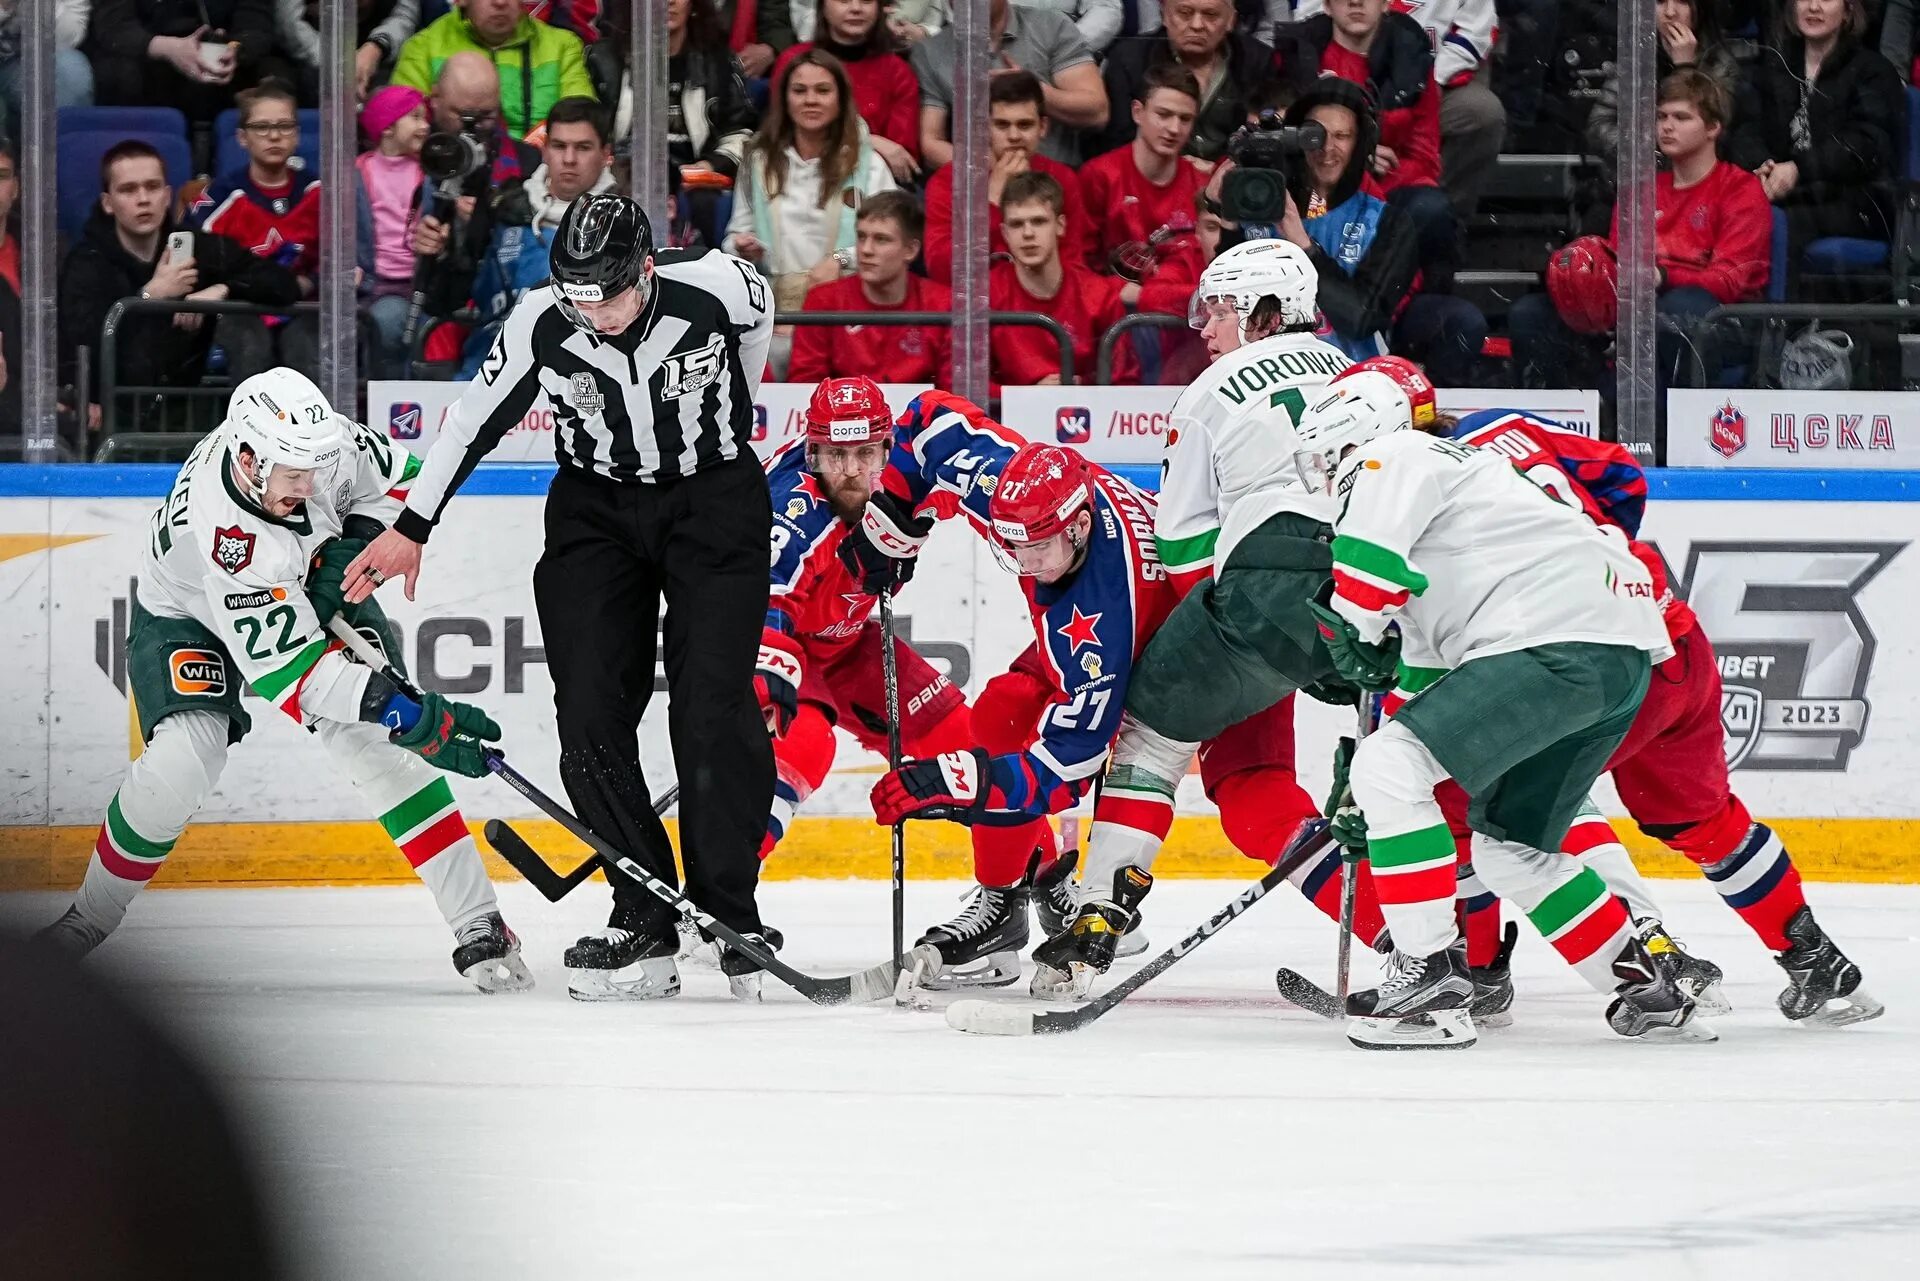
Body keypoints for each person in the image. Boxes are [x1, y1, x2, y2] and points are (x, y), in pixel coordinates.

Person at [342, 194, 780, 1002]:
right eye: (576, 296)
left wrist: (735, 421)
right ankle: (644, 911)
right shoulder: (541, 320)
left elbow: (758, 328)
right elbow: (471, 420)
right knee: (585, 709)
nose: (592, 315)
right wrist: (413, 525)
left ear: (646, 270)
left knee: (711, 703)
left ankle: (730, 913)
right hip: (596, 513)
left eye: (606, 296)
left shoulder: (721, 284)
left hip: (713, 502)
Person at [34, 369, 530, 994]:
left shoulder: (321, 448)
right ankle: (88, 919)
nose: (313, 485)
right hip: (190, 616)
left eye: (316, 469)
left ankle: (480, 922)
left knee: (373, 747)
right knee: (182, 763)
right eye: (295, 476)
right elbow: (296, 680)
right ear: (246, 458)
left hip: (307, 587)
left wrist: (358, 541)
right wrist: (408, 713)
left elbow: (409, 484)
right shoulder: (227, 534)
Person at [1296, 369, 1705, 1048]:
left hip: (1555, 640)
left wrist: (1351, 636)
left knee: (1389, 768)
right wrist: (1375, 777)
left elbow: (1362, 585)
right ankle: (1641, 979)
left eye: (1323, 456)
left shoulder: (1395, 455)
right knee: (1510, 847)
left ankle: (1427, 976)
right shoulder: (1459, 496)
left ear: (1354, 435)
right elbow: (1428, 677)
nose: (1322, 476)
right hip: (1620, 655)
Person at [1440, 403, 1882, 1027]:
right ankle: (1814, 960)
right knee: (1700, 821)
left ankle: (1483, 976)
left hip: (1592, 663)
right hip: (1672, 633)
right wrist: (1607, 555)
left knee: (1463, 804)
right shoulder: (1501, 427)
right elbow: (1622, 475)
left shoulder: (1413, 497)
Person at [1039, 237, 1370, 997]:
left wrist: (1207, 651)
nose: (1204, 327)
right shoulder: (1356, 373)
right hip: (1374, 594)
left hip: (1264, 593)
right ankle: (1435, 945)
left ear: (1263, 313)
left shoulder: (1212, 388)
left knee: (1151, 727)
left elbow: (1187, 549)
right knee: (1292, 783)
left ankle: (1097, 917)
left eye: (1218, 309)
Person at [756, 377, 975, 863]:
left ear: (888, 447)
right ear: (813, 453)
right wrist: (765, 666)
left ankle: (1037, 884)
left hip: (849, 642)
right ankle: (718, 906)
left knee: (971, 746)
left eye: (865, 454)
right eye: (836, 455)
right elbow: (763, 603)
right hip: (791, 644)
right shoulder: (793, 509)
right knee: (806, 742)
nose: (852, 471)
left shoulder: (912, 473)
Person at [1510, 69, 1771, 395]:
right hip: (1638, 314)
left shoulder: (1741, 190)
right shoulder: (1640, 190)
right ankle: (1562, 425)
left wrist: (1662, 276)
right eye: (1661, 116)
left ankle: (1671, 434)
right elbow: (1617, 265)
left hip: (1717, 322)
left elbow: (1730, 282)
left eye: (1681, 117)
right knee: (1533, 314)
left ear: (1713, 128)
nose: (1667, 126)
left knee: (1677, 311)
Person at [58, 141, 301, 436]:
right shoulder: (87, 260)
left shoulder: (194, 246)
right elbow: (79, 342)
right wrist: (149, 296)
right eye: (128, 190)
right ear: (108, 203)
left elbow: (284, 284)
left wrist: (222, 290)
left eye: (152, 187)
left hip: (184, 415)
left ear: (167, 196)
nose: (143, 199)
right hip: (111, 416)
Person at [1278, 77, 1487, 386]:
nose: (1327, 148)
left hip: (1354, 378)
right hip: (1272, 374)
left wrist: (1302, 244)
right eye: (1314, 135)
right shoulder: (1262, 205)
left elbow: (1361, 317)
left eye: (1342, 136)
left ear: (1361, 143)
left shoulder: (1389, 220)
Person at [724, 48, 896, 367]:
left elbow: (892, 243)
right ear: (785, 99)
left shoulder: (869, 164)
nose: (810, 100)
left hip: (847, 312)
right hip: (776, 312)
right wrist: (742, 247)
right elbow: (734, 235)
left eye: (823, 91)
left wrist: (841, 259)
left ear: (840, 99)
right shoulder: (758, 161)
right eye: (799, 91)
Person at [1289, 0, 1505, 219]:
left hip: (1420, 74)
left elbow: (1423, 158)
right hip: (1320, 188)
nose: (1356, 2)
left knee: (1431, 209)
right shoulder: (1300, 57)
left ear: (1386, 4)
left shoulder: (1412, 61)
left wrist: (1419, 77)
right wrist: (1359, 155)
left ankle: (1445, 224)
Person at [1728, 0, 1902, 272]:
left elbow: (1865, 143)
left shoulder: (1873, 71)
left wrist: (1799, 169)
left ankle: (1778, 315)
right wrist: (1764, 165)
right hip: (1782, 192)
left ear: (1848, 11)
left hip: (1854, 200)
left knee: (1779, 224)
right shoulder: (1773, 66)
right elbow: (1745, 130)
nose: (1813, 6)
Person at [456, 94, 617, 376]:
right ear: (544, 150)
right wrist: (456, 241)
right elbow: (453, 295)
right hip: (487, 372)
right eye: (559, 146)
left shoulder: (623, 219)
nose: (569, 159)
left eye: (583, 148)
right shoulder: (503, 209)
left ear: (606, 154)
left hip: (588, 379)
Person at [987, 171, 1189, 387]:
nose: (1028, 233)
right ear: (1005, 233)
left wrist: (1083, 388)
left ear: (1060, 225)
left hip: (1086, 415)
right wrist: (1024, 396)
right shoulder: (985, 295)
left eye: (1039, 221)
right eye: (1017, 224)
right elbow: (965, 384)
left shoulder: (1099, 295)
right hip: (1003, 418)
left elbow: (1125, 380)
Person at [189, 77, 325, 379]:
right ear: (242, 137)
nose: (274, 136)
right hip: (239, 308)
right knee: (252, 345)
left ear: (297, 135)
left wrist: (311, 281)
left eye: (284, 126)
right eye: (262, 127)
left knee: (304, 348)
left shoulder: (320, 193)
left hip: (301, 307)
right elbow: (200, 264)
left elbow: (340, 264)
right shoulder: (219, 198)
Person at [405, 53, 539, 337]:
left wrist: (492, 217)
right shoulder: (411, 162)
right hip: (432, 297)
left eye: (486, 116)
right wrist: (430, 243)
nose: (474, 128)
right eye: (463, 116)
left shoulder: (528, 163)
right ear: (435, 99)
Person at [921, 69, 1089, 285]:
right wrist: (991, 203)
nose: (1014, 136)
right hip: (979, 309)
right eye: (1002, 125)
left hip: (1044, 309)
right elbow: (942, 270)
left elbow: (1074, 266)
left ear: (1043, 127)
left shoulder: (1062, 179)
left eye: (1024, 125)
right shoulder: (949, 181)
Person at [912, 0, 1108, 169]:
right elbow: (931, 143)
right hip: (978, 184)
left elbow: (1097, 112)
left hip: (1055, 179)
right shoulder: (931, 52)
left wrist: (1032, 89)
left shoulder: (1051, 27)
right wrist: (991, 169)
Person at [787, 191, 952, 386]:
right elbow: (805, 386)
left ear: (911, 250)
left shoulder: (943, 304)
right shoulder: (823, 301)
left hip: (921, 414)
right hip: (842, 414)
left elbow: (955, 392)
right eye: (861, 237)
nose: (865, 250)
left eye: (881, 239)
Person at [1096, 0, 1276, 161]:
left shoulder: (1259, 62)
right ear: (1164, 14)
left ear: (1231, 20)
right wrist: (1182, 170)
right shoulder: (1129, 60)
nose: (1197, 25)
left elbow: (1265, 142)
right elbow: (1116, 143)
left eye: (1211, 15)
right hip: (1152, 184)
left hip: (1232, 184)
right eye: (1184, 12)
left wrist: (1218, 172)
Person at [1075, 63, 1209, 279]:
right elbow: (1079, 264)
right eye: (1163, 115)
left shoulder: (1202, 184)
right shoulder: (1099, 176)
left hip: (1181, 306)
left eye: (1185, 119)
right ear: (1137, 112)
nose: (1174, 128)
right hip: (1113, 308)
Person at [390, 0, 596, 139]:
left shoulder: (562, 46)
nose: (500, 2)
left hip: (542, 175)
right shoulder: (422, 48)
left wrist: (526, 157)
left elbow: (581, 123)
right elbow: (404, 133)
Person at [1587, 0, 1743, 180]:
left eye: (1682, 1)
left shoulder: (1720, 64)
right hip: (1638, 185)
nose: (1670, 12)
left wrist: (1684, 69)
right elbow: (1598, 126)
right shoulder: (1637, 57)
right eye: (1660, 1)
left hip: (1699, 186)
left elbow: (1712, 132)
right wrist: (1652, 155)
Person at [773, 0, 922, 183]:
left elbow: (900, 156)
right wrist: (868, 141)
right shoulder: (793, 61)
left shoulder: (898, 71)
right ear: (823, 7)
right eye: (844, 0)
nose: (856, 8)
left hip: (874, 183)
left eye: (866, 1)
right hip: (799, 177)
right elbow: (781, 133)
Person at [86, 0, 275, 128]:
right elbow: (114, 26)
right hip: (145, 52)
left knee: (272, 76)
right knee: (119, 74)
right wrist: (167, 48)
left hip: (219, 51)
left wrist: (236, 49)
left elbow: (256, 25)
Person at [357, 84, 430, 380]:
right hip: (376, 286)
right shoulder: (356, 173)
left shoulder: (429, 172)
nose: (425, 126)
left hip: (421, 285)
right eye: (414, 117)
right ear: (387, 127)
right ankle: (381, 407)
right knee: (386, 325)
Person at [270, 0, 419, 105]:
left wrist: (376, 47)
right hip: (312, 53)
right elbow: (290, 23)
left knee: (388, 96)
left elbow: (404, 14)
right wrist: (338, 61)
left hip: (380, 51)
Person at [0, 0, 94, 131]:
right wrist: (4, 6)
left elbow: (69, 38)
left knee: (71, 69)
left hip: (22, 62)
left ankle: (69, 145)